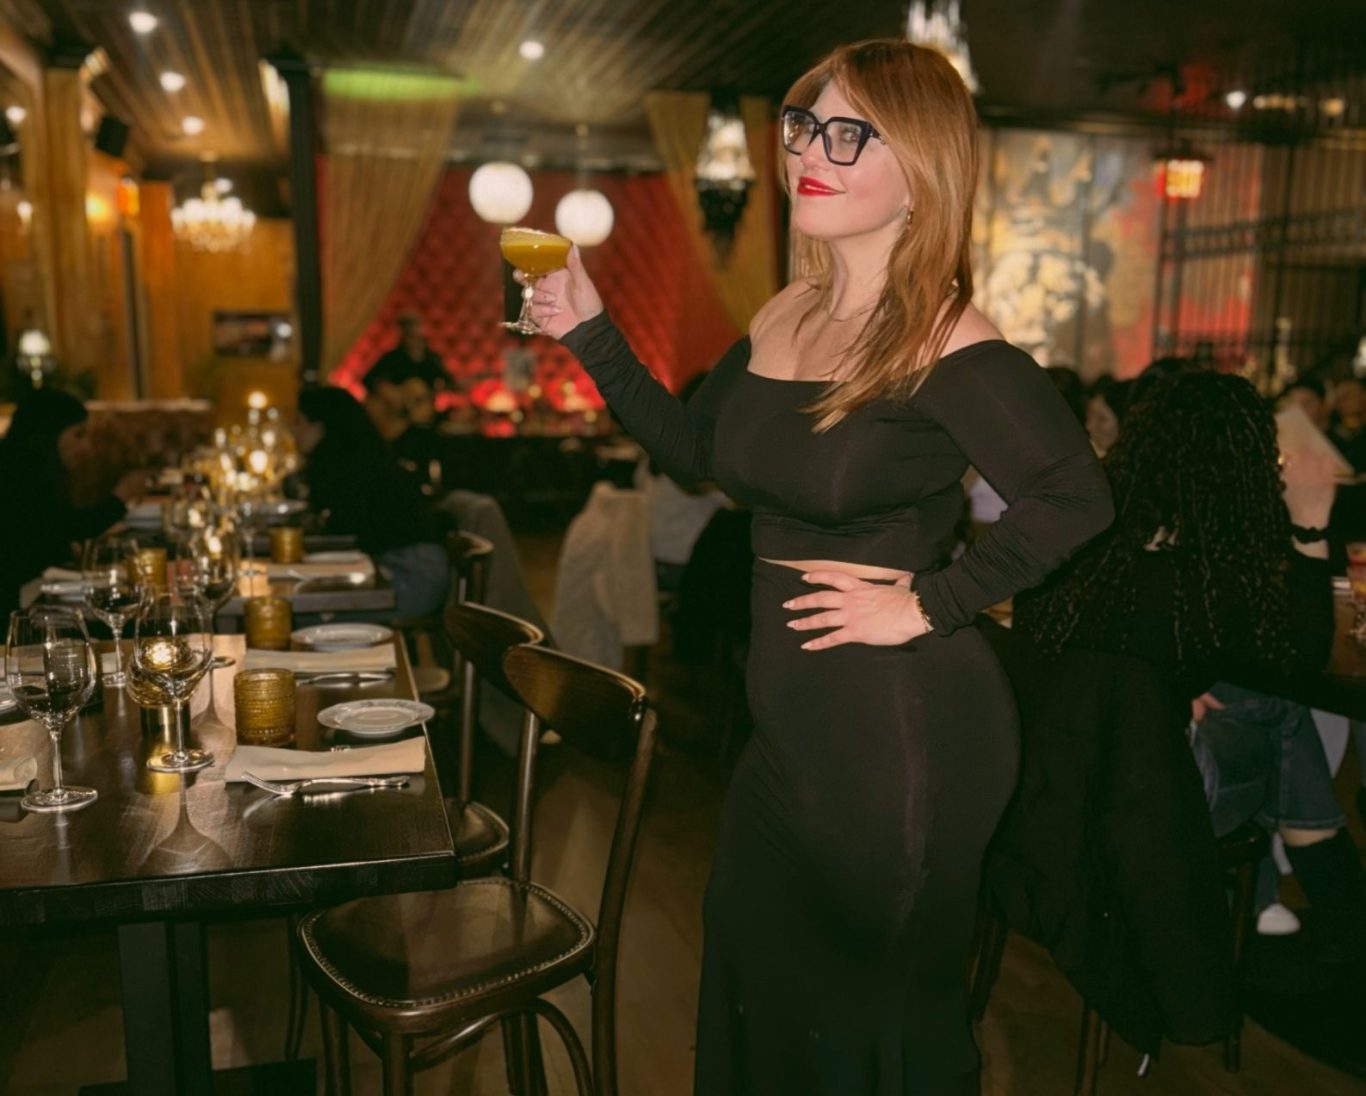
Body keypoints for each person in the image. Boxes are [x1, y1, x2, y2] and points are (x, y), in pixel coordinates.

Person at [527, 39, 1113, 1094]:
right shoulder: (784, 313)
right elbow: (697, 454)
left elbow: (1077, 495)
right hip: (791, 729)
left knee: (877, 1022)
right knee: (754, 975)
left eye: (851, 134)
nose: (809, 151)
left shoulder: (943, 335)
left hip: (903, 729)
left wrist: (932, 602)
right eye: (805, 126)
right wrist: (591, 333)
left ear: (921, 171)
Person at [991, 371, 1339, 1056]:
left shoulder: (1082, 542)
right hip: (1146, 810)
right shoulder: (1214, 583)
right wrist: (1311, 525)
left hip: (1042, 789)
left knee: (1259, 706)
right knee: (1283, 711)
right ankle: (1333, 898)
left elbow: (1046, 637)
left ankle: (1316, 893)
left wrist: (1156, 694)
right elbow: (1300, 657)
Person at [294, 387, 448, 617]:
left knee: (305, 617)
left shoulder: (356, 465)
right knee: (304, 610)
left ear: (322, 426)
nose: (293, 431)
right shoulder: (355, 457)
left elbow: (343, 530)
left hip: (411, 575)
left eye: (299, 422)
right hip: (397, 565)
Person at [0, 389, 146, 622]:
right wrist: (119, 498)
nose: (87, 447)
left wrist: (64, 545)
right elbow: (65, 530)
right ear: (48, 434)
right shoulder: (13, 476)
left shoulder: (33, 470)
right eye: (78, 435)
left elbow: (54, 532)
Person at [361, 314, 449, 468]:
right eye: (408, 333)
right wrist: (388, 392)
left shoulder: (431, 359)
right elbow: (367, 380)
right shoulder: (392, 357)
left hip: (421, 420)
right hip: (395, 421)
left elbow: (447, 381)